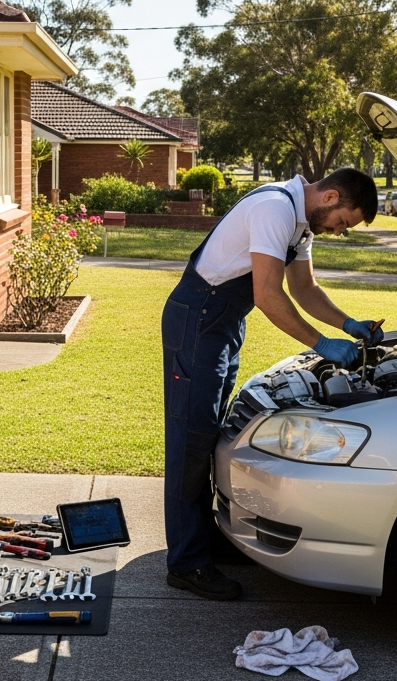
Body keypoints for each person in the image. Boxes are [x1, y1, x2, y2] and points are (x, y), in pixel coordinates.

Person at [161, 167, 384, 600]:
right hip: (199, 319)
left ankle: (206, 542)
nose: (339, 231)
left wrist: (348, 324)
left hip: (224, 323)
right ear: (330, 197)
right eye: (342, 222)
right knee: (190, 438)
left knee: (209, 433)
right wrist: (321, 344)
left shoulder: (302, 224)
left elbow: (305, 288)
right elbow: (267, 294)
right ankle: (186, 563)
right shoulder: (274, 209)